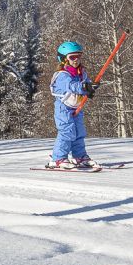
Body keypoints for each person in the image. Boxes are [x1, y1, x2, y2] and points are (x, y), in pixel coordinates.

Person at [47, 40, 99, 170]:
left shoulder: (81, 73)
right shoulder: (62, 75)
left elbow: (85, 85)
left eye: (78, 56)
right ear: (64, 59)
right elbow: (71, 86)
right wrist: (84, 86)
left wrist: (90, 89)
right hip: (63, 108)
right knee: (67, 132)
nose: (76, 60)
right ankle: (58, 158)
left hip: (77, 107)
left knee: (79, 132)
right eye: (72, 57)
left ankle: (79, 156)